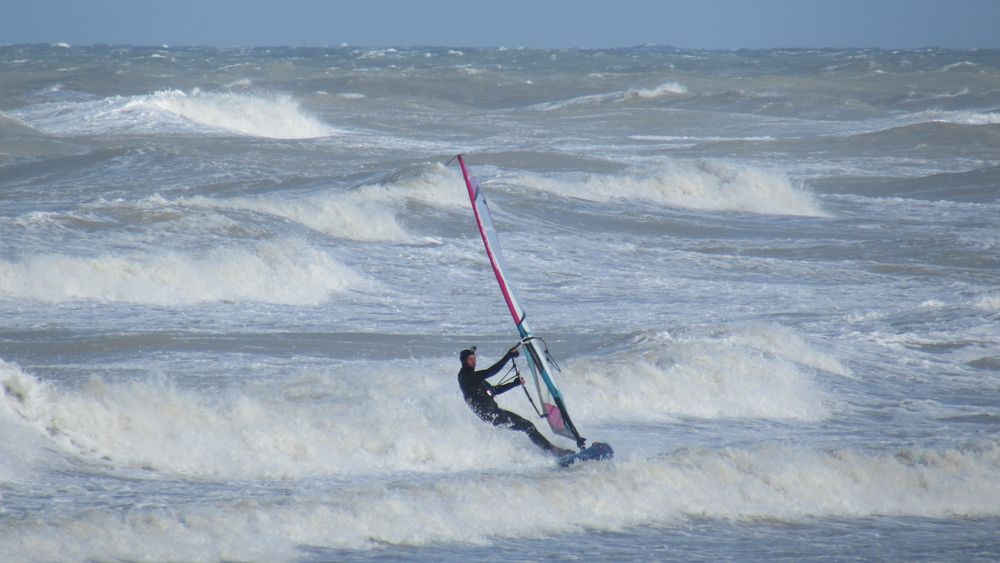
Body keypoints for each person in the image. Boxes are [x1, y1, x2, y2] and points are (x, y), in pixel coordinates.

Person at [457, 344, 574, 456]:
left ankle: (550, 451)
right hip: (492, 415)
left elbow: (494, 390)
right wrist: (508, 356)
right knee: (528, 426)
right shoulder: (465, 377)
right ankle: (552, 451)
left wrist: (514, 383)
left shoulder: (475, 379)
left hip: (494, 413)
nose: (474, 361)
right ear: (464, 362)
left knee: (527, 426)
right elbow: (491, 372)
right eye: (470, 359)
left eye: (474, 359)